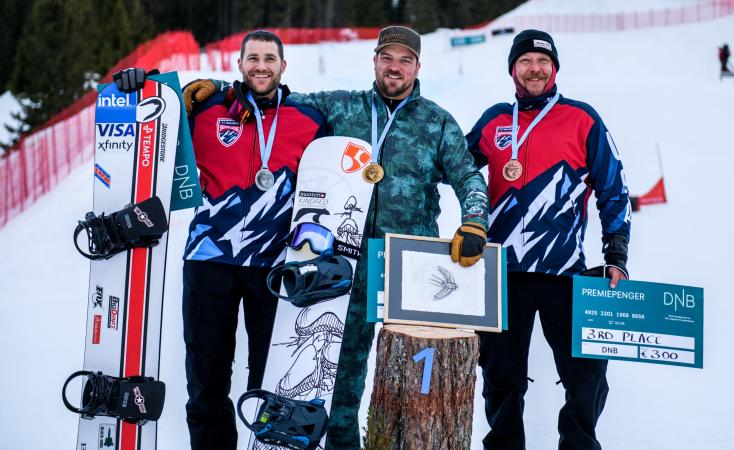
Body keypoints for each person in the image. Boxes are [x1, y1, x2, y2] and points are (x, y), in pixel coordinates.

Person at [185, 25, 489, 450]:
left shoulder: (437, 122)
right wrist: (219, 88)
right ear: (375, 62)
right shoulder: (342, 107)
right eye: (388, 57)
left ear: (418, 66)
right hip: (350, 267)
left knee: (422, 381)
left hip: (410, 266)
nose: (395, 67)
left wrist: (474, 221)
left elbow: (469, 177)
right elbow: (271, 94)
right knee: (340, 388)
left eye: (405, 59)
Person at [119, 30, 327, 450]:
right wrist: (137, 87)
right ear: (240, 64)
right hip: (208, 261)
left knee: (270, 378)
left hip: (274, 266)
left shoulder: (310, 119)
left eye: (270, 58)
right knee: (206, 377)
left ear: (283, 66)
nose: (261, 65)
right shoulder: (207, 109)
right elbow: (153, 116)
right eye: (253, 57)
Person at [466, 29, 631, 450]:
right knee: (500, 376)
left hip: (564, 271)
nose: (534, 69)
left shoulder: (582, 118)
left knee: (587, 373)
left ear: (554, 68)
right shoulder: (494, 121)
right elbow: (457, 167)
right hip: (504, 272)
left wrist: (616, 252)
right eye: (525, 61)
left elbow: (613, 188)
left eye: (542, 61)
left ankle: (577, 444)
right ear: (513, 69)